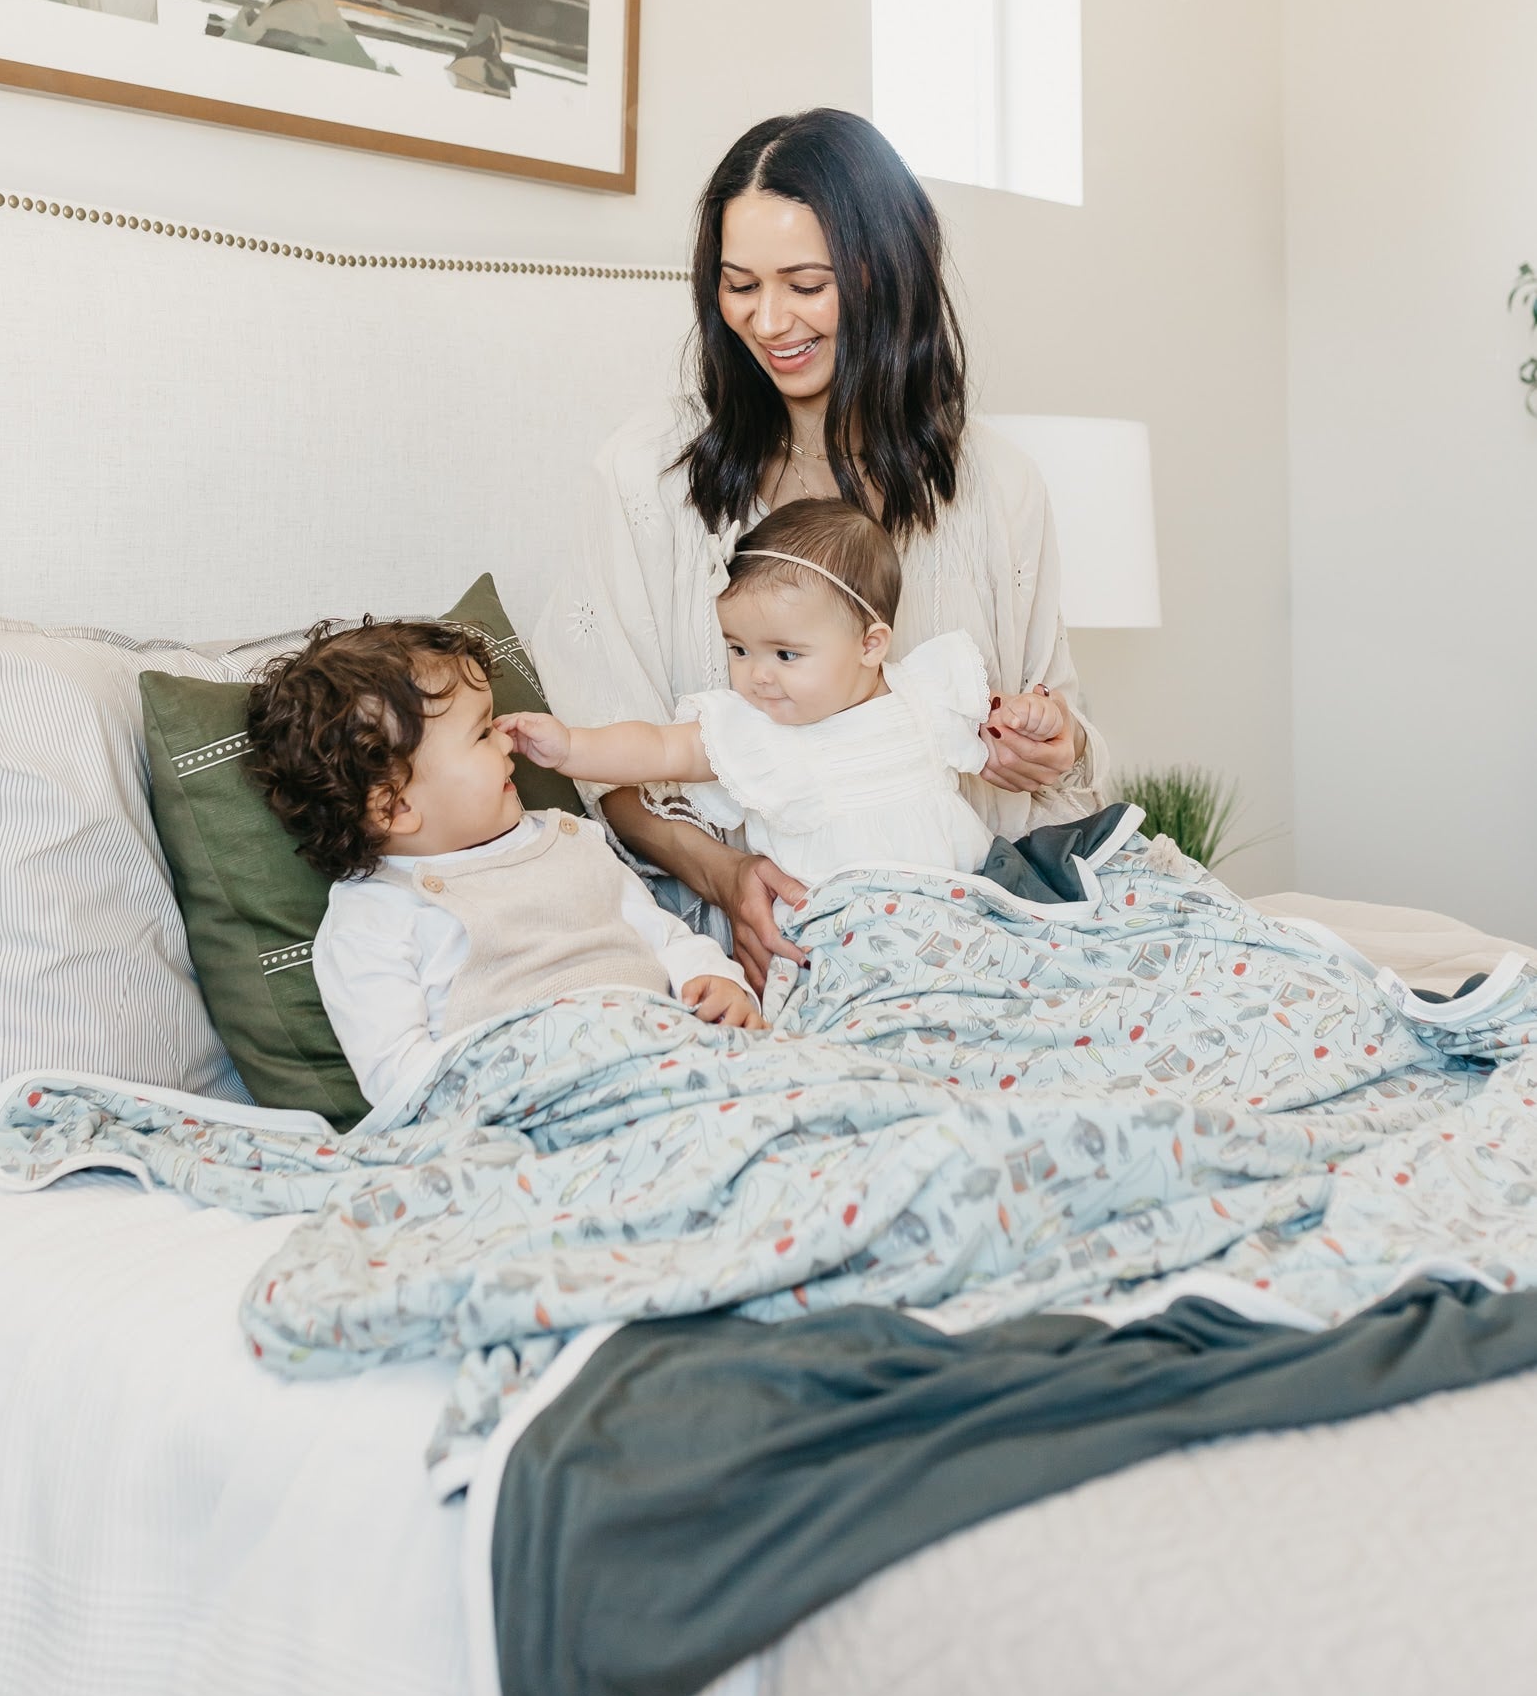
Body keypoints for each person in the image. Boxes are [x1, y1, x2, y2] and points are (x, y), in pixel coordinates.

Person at [531, 109, 1109, 992]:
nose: (767, 321)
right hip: (768, 942)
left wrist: (1049, 745)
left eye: (806, 284)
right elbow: (609, 774)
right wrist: (724, 875)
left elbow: (1060, 736)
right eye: (738, 285)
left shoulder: (995, 485)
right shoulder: (645, 477)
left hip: (984, 920)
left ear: (886, 275)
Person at [246, 617, 763, 1109]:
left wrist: (718, 982)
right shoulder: (374, 916)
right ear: (396, 807)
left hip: (669, 1058)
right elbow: (398, 1077)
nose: (506, 741)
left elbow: (664, 938)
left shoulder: (569, 838)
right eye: (480, 735)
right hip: (536, 1104)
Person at [508, 498, 1063, 893]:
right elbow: (657, 747)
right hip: (846, 926)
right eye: (739, 649)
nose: (757, 676)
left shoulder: (922, 694)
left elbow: (1004, 721)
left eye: (786, 654)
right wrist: (572, 747)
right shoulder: (756, 730)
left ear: (870, 645)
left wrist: (1032, 715)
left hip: (966, 902)